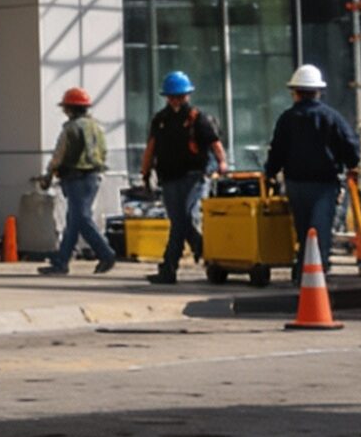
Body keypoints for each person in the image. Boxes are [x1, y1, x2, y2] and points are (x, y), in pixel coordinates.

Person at [262, 64, 361, 275]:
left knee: (303, 229)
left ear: (295, 92)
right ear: (318, 91)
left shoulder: (287, 118)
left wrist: (269, 173)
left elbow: (277, 150)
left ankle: (302, 271)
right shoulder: (331, 117)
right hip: (324, 185)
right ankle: (317, 272)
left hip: (295, 184)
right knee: (319, 230)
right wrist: (352, 164)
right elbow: (350, 145)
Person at [137, 70, 226, 285]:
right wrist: (145, 173)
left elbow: (215, 143)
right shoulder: (160, 120)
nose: (176, 100)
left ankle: (194, 258)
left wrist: (222, 163)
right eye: (172, 96)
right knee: (178, 223)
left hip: (194, 177)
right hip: (169, 179)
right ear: (167, 97)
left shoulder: (198, 118)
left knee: (187, 216)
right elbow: (151, 148)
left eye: (180, 96)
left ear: (187, 95)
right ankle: (184, 263)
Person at [33, 87, 117, 276]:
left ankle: (106, 253)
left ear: (70, 108)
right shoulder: (96, 128)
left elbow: (59, 155)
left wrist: (48, 175)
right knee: (73, 221)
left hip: (75, 178)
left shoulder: (71, 128)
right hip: (93, 177)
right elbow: (103, 153)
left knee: (81, 219)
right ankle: (61, 262)